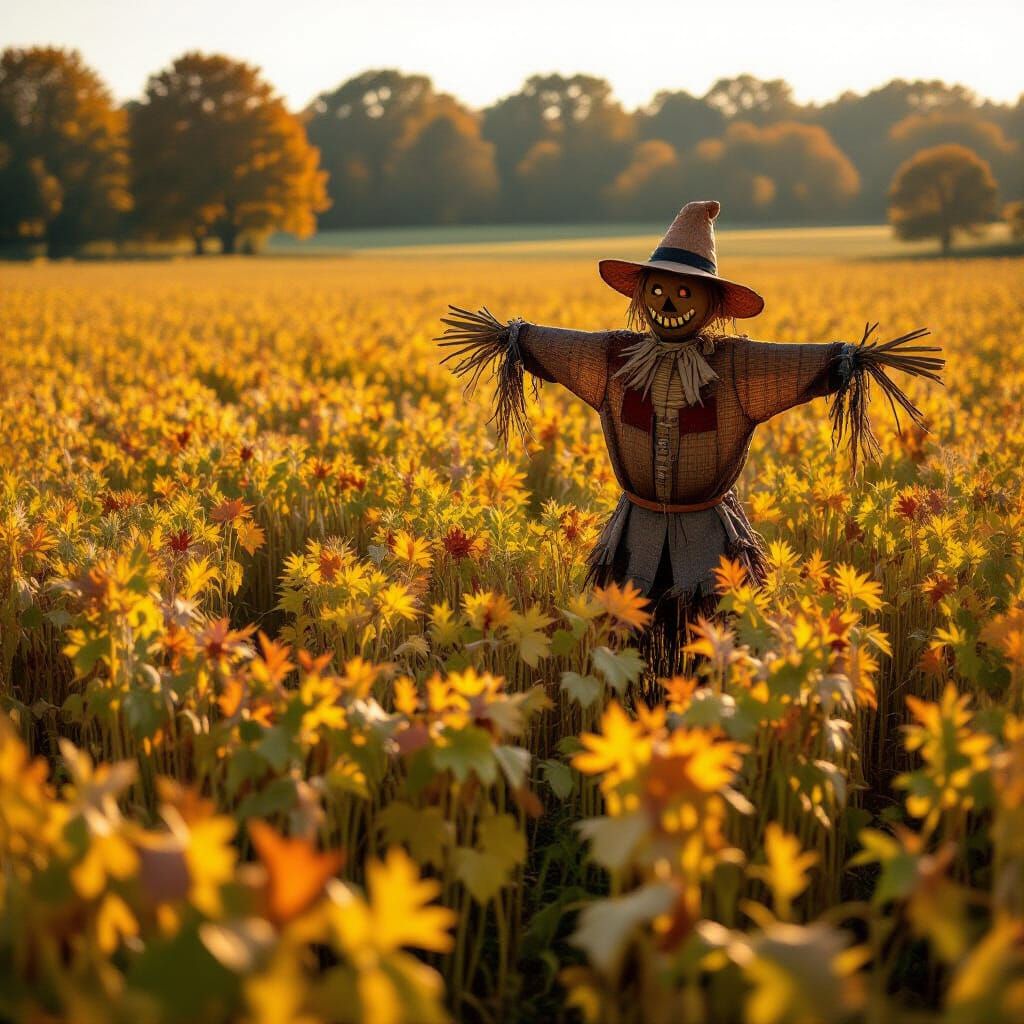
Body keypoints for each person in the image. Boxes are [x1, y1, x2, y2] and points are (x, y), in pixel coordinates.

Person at [437, 200, 943, 673]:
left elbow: (798, 363)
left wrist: (851, 361)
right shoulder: (612, 360)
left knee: (710, 653)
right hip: (632, 537)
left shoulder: (737, 368)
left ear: (711, 305)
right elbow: (555, 346)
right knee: (627, 653)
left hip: (709, 544)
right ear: (640, 294)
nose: (668, 302)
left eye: (683, 293)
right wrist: (514, 338)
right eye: (657, 290)